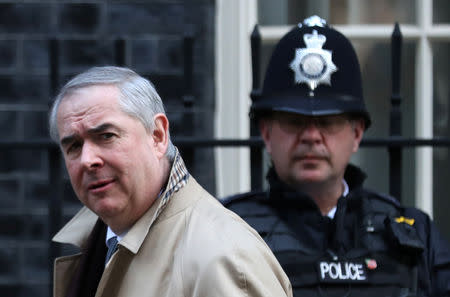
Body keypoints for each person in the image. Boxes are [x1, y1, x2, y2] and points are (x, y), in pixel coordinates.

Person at [224, 16, 450, 297]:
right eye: (294, 122)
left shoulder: (414, 237)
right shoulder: (225, 231)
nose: (311, 136)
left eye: (328, 122)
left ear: (356, 134)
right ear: (267, 134)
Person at [48, 66, 292, 297]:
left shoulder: (223, 256)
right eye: (74, 146)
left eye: (106, 136)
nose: (87, 160)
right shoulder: (100, 242)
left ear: (157, 136)